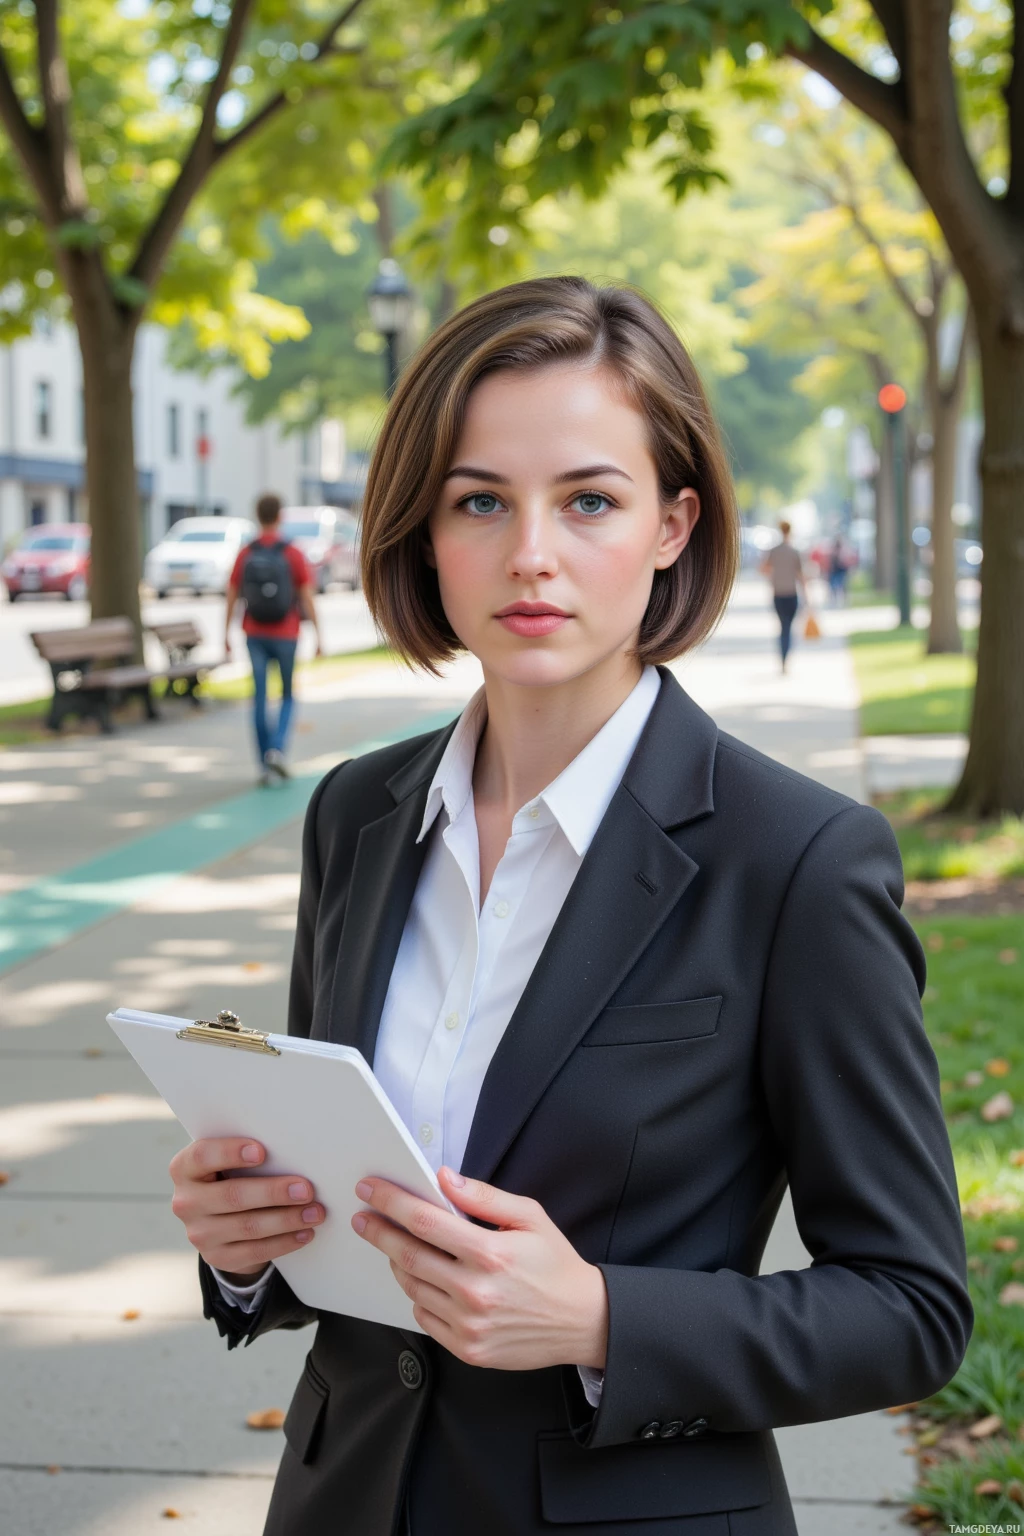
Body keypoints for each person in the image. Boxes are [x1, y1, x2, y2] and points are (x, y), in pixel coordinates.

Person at [170, 278, 970, 1536]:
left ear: (671, 525)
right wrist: (248, 1245)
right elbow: (346, 1209)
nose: (529, 552)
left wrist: (600, 1317)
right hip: (342, 1500)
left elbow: (911, 1308)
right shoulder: (357, 813)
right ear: (423, 534)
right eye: (479, 501)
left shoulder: (800, 859)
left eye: (588, 499)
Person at [224, 493, 322, 784]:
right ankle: (277, 750)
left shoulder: (246, 553)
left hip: (253, 632)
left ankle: (265, 763)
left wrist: (224, 635)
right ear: (280, 516)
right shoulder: (291, 553)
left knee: (259, 697)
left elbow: (231, 595)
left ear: (258, 515)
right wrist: (319, 635)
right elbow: (306, 596)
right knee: (288, 695)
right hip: (287, 633)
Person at [760, 519, 806, 672]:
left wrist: (773, 578)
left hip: (778, 594)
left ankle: (783, 659)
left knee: (783, 627)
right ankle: (785, 659)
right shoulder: (794, 552)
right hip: (791, 595)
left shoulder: (774, 552)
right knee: (788, 628)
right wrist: (807, 597)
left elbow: (763, 569)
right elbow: (801, 577)